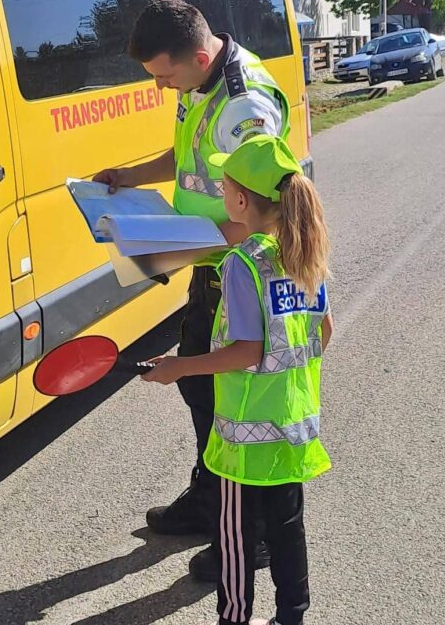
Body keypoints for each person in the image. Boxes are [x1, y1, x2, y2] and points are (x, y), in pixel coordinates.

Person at [93, 0, 289, 580]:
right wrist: (129, 176)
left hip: (241, 272)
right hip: (214, 264)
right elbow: (187, 160)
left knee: (232, 401)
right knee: (200, 387)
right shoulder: (201, 83)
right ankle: (212, 501)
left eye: (163, 76)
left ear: (199, 57)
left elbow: (265, 216)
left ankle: (251, 534)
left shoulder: (244, 106)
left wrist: (173, 249)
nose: (160, 87)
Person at [143, 134, 333, 625]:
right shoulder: (303, 252)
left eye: (223, 187)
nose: (220, 194)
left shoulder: (243, 263)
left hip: (245, 436)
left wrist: (179, 366)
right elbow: (323, 332)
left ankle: (235, 617)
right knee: (287, 528)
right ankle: (292, 616)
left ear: (242, 201)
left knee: (235, 537)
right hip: (291, 424)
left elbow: (247, 350)